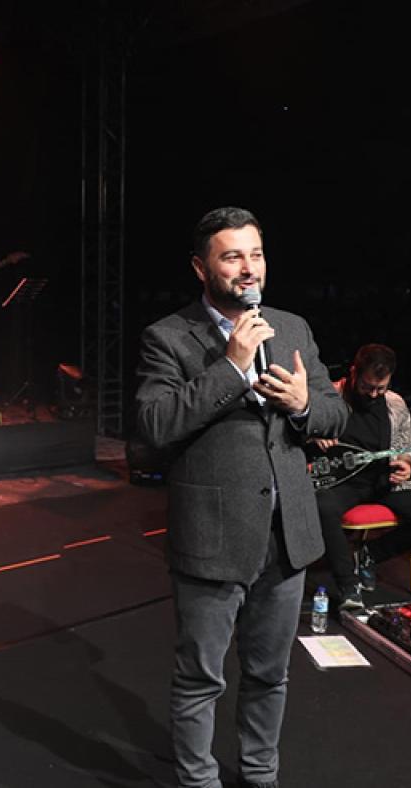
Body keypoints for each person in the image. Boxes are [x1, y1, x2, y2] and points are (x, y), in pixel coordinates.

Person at [135, 207, 348, 788]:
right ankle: (198, 780)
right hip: (213, 535)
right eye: (232, 256)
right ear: (200, 268)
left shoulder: (292, 327)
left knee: (270, 674)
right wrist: (230, 368)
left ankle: (260, 774)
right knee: (200, 678)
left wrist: (305, 405)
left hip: (288, 535)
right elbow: (154, 426)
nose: (248, 267)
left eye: (256, 254)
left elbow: (335, 412)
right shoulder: (168, 337)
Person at [312, 343, 411, 610]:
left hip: (384, 481)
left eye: (380, 388)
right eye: (367, 387)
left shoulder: (395, 404)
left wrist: (405, 465)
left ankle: (369, 554)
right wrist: (314, 434)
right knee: (322, 506)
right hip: (341, 483)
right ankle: (348, 585)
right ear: (354, 372)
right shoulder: (328, 395)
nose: (373, 394)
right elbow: (298, 428)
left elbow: (405, 449)